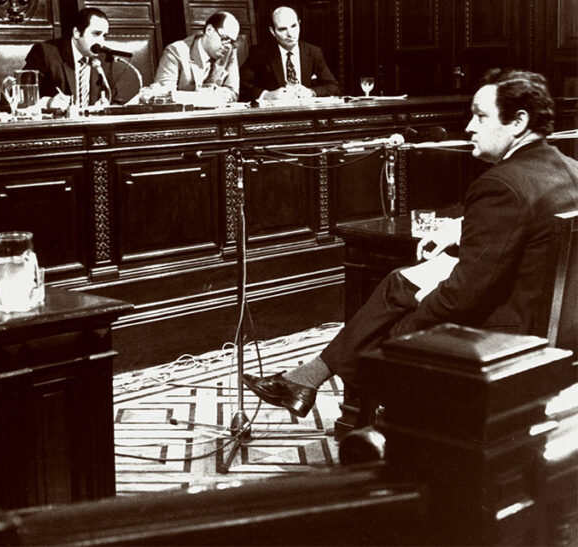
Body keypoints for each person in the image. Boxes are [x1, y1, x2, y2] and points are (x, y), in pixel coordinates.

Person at [243, 69, 578, 417]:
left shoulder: (501, 185)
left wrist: (414, 318)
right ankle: (307, 382)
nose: (469, 127)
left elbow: (462, 297)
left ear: (518, 122)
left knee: (384, 334)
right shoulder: (570, 169)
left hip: (506, 340)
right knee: (399, 282)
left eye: (480, 116)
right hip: (559, 333)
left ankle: (369, 421)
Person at [24, 7, 138, 110]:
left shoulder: (103, 59)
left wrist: (106, 104)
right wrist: (48, 102)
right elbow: (23, 95)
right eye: (96, 34)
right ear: (77, 33)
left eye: (104, 36)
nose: (101, 42)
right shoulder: (46, 52)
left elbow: (112, 97)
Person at [239, 6, 339, 103]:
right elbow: (241, 85)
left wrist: (311, 92)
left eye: (294, 26)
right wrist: (267, 95)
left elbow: (333, 87)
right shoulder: (259, 53)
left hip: (305, 109)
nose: (290, 34)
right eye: (282, 29)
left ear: (299, 24)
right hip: (276, 111)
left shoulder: (313, 52)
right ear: (272, 31)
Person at [154, 11, 241, 101]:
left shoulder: (229, 52)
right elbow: (164, 95)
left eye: (232, 42)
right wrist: (205, 96)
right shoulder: (176, 51)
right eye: (225, 39)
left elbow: (233, 93)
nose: (228, 46)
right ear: (209, 30)